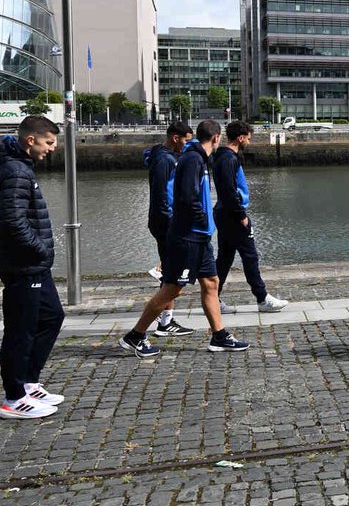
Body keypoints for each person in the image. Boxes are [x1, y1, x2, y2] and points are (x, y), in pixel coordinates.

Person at [120, 119, 248, 358]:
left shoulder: (199, 158)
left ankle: (219, 336)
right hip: (189, 236)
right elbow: (188, 198)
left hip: (201, 236)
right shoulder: (192, 160)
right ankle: (135, 336)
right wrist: (200, 221)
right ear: (217, 138)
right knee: (172, 289)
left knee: (211, 282)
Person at [0, 115, 66, 419]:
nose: (51, 149)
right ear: (30, 140)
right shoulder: (15, 171)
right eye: (48, 142)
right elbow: (12, 221)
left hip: (32, 264)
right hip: (23, 264)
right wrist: (40, 247)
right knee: (21, 329)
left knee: (51, 316)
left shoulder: (17, 167)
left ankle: (29, 382)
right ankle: (14, 397)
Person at [213, 120, 288, 312]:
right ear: (240, 138)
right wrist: (241, 216)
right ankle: (262, 298)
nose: (249, 142)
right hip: (232, 215)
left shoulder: (224, 157)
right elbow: (229, 191)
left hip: (224, 213)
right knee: (250, 256)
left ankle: (213, 298)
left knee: (225, 259)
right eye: (248, 138)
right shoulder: (229, 159)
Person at [145, 120, 195, 337]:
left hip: (167, 220)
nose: (187, 145)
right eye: (186, 140)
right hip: (166, 222)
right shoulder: (164, 160)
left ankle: (167, 320)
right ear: (175, 138)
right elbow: (160, 194)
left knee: (174, 273)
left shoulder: (166, 157)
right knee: (174, 275)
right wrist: (170, 221)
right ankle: (163, 322)